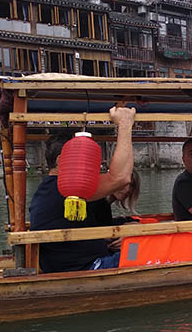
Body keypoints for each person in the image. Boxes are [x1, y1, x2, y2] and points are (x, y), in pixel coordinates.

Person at [29, 106, 136, 272]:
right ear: (60, 161)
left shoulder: (51, 188)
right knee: (155, 249)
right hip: (88, 267)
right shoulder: (65, 188)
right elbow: (121, 178)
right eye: (83, 156)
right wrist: (125, 123)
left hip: (83, 262)